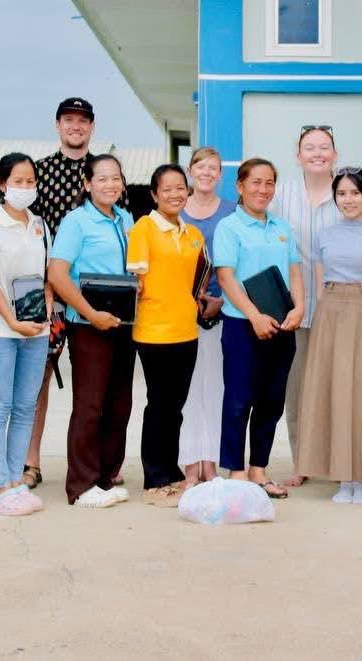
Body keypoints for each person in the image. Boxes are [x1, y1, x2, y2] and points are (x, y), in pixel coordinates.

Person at [23, 97, 117, 489]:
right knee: (36, 376)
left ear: (92, 126)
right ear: (58, 124)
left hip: (94, 298)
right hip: (44, 291)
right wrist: (45, 285)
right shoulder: (39, 172)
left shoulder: (105, 172)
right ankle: (30, 462)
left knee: (96, 386)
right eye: (69, 120)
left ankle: (93, 468)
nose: (76, 126)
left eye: (83, 121)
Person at [295, 168, 362, 505]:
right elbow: (320, 287)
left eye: (355, 193)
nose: (348, 200)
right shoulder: (324, 236)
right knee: (333, 395)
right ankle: (342, 476)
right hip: (330, 316)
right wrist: (324, 330)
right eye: (342, 193)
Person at [271, 125, 360, 488]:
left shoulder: (347, 196)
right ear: (298, 156)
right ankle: (302, 461)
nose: (318, 153)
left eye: (325, 147)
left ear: (335, 155)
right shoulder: (280, 194)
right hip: (292, 310)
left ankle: (341, 461)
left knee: (338, 387)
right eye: (310, 148)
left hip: (338, 309)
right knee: (297, 391)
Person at [213, 158, 306, 499]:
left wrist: (299, 308)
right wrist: (253, 315)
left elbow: (295, 270)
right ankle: (235, 472)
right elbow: (226, 277)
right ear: (240, 186)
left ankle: (259, 471)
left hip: (282, 326)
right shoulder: (229, 227)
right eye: (255, 182)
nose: (263, 190)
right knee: (239, 401)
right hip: (242, 326)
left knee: (271, 403)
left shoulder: (281, 227)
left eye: (269, 183)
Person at [48, 154, 136, 508]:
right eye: (102, 179)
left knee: (120, 405)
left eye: (116, 178)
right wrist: (89, 313)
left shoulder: (125, 219)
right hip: (88, 325)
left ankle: (105, 477)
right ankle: (81, 485)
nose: (110, 185)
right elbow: (57, 274)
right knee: (90, 406)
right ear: (87, 184)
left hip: (122, 324)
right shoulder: (76, 221)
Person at [0, 153, 51, 516]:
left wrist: (45, 312)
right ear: (2, 184)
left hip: (36, 328)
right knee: (0, 406)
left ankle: (17, 477)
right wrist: (13, 322)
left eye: (30, 181)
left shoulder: (40, 224)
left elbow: (46, 276)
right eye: (17, 181)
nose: (25, 187)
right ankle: (1, 483)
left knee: (25, 406)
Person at [126, 164, 205, 507]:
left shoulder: (194, 235)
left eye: (180, 188)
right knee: (159, 405)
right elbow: (136, 282)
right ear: (155, 195)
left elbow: (194, 282)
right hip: (154, 331)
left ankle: (171, 473)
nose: (175, 194)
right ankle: (154, 478)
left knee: (175, 407)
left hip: (187, 329)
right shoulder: (144, 228)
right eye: (167, 189)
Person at [178, 147, 235, 488]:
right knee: (185, 393)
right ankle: (188, 463)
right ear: (190, 170)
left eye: (214, 168)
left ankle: (210, 462)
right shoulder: (174, 211)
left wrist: (221, 299)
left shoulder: (231, 211)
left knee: (215, 390)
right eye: (201, 166)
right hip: (179, 313)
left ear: (220, 175)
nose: (207, 172)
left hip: (220, 311)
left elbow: (237, 264)